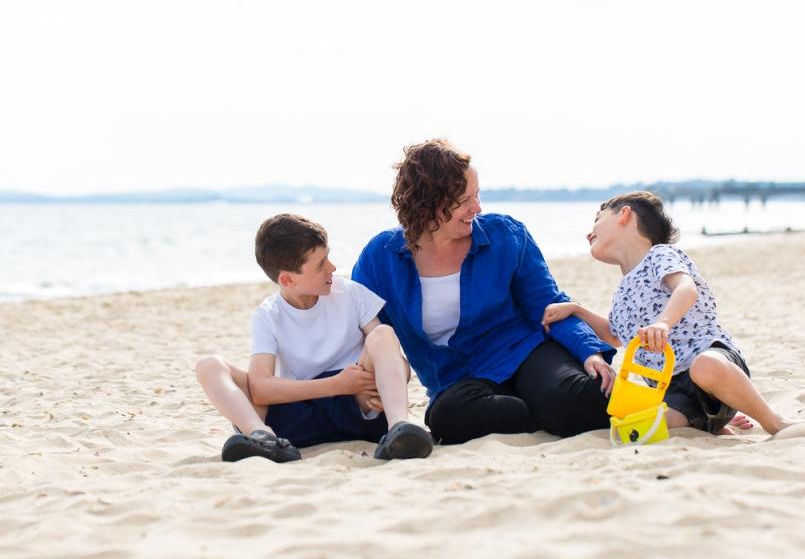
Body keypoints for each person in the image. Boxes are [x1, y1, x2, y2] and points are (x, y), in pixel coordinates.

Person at [352, 139, 616, 445]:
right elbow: (359, 330)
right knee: (446, 421)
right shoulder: (380, 257)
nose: (477, 208)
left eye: (477, 195)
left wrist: (589, 352)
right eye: (465, 200)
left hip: (525, 352)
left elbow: (549, 304)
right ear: (427, 203)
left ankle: (548, 404)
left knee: (581, 400)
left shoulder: (506, 234)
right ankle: (541, 409)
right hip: (458, 378)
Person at [541, 191, 793, 436]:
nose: (589, 231)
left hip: (711, 360)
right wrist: (576, 309)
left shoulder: (659, 255)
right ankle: (715, 423)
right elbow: (614, 336)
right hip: (672, 390)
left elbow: (685, 289)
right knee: (648, 422)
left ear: (624, 215)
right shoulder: (622, 293)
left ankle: (772, 421)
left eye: (598, 219)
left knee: (705, 368)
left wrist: (663, 323)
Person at [195, 213, 433, 462]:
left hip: (356, 404)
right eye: (320, 265)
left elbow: (392, 359)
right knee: (208, 365)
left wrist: (386, 385)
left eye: (327, 257)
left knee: (383, 333)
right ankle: (262, 436)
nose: (331, 267)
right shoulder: (267, 316)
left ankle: (398, 428)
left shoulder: (351, 293)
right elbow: (261, 389)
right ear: (287, 279)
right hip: (294, 417)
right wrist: (336, 384)